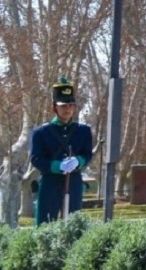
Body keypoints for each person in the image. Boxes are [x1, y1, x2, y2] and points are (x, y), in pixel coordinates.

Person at [29, 77, 93, 225]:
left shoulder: (83, 131)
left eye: (71, 105)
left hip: (74, 182)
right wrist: (58, 166)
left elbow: (87, 154)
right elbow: (36, 158)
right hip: (50, 182)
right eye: (63, 105)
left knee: (73, 224)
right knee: (46, 223)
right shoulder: (41, 132)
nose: (68, 109)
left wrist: (78, 161)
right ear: (54, 108)